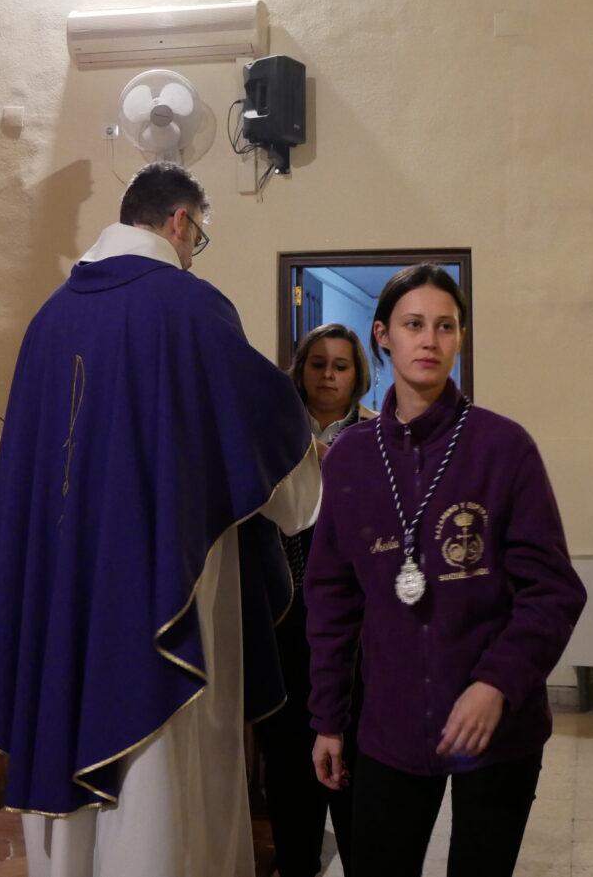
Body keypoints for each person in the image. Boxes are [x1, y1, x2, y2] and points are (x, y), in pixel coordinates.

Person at [0, 162, 321, 877]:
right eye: (199, 237)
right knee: (159, 773)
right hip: (152, 582)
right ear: (180, 222)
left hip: (62, 589)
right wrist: (304, 485)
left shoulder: (48, 319)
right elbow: (271, 431)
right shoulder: (189, 307)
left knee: (68, 724)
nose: (195, 253)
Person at [305, 265, 586, 877]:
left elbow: (553, 591)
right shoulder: (351, 458)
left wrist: (495, 684)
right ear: (383, 335)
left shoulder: (503, 447)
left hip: (497, 725)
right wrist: (327, 719)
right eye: (413, 325)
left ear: (460, 337)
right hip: (390, 724)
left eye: (445, 326)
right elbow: (331, 602)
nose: (429, 340)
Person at [257, 324, 374, 877]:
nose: (328, 376)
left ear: (357, 375)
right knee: (288, 767)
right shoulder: (273, 438)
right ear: (300, 371)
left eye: (340, 366)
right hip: (285, 620)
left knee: (356, 769)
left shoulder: (380, 437)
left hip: (357, 632)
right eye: (318, 364)